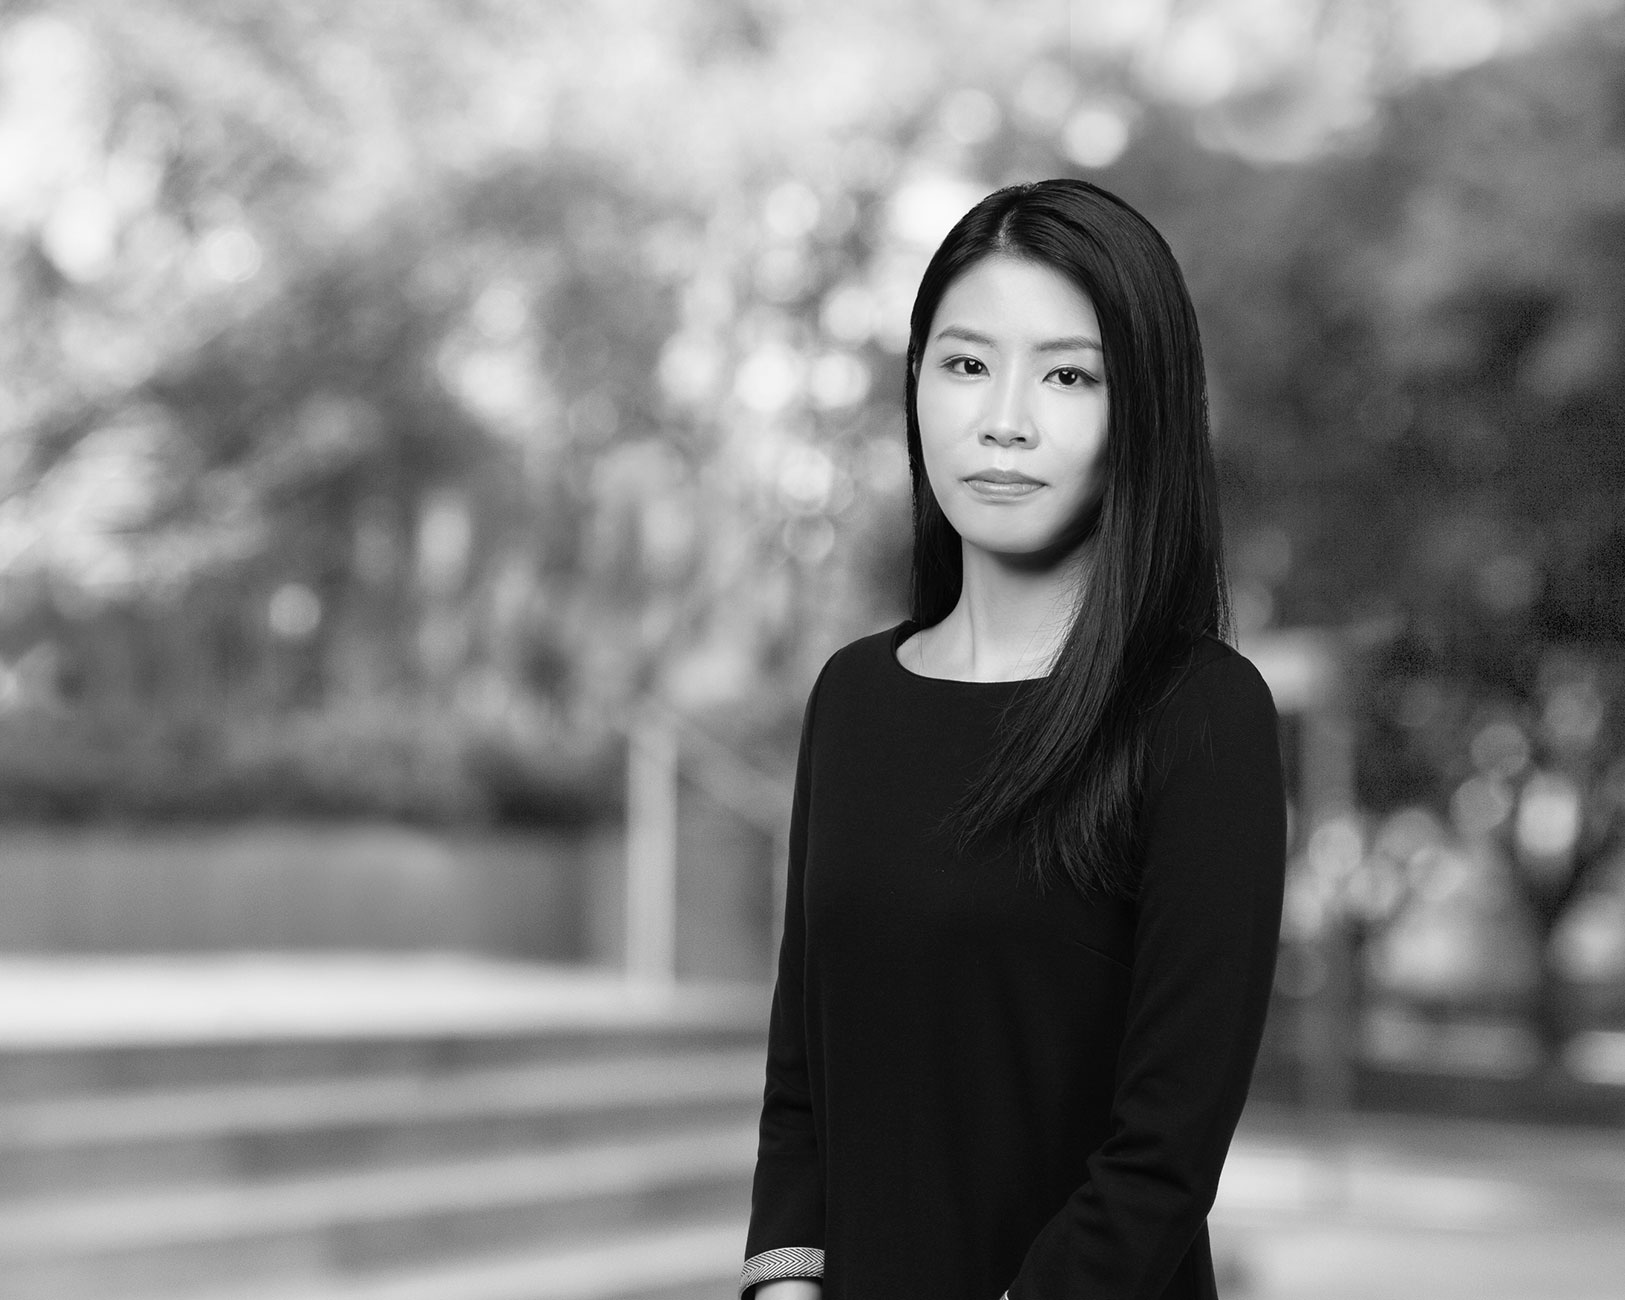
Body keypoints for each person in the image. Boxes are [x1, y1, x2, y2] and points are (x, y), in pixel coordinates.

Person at [739, 177, 1287, 1300]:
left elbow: (1162, 1157)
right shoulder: (851, 698)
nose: (1005, 419)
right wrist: (784, 1285)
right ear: (915, 386)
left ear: (1143, 408)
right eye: (965, 364)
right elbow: (803, 1083)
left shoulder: (1199, 714)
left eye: (1068, 375)